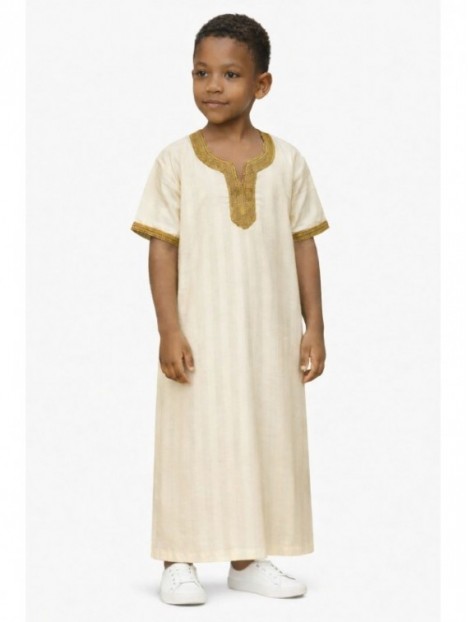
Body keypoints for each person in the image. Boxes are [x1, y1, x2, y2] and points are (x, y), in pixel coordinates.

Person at [130, 13, 330, 606]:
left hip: (268, 332)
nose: (212, 86)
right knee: (192, 438)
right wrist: (169, 330)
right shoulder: (175, 160)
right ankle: (179, 559)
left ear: (261, 84)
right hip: (200, 332)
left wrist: (314, 326)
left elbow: (303, 243)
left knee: (264, 434)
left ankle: (248, 557)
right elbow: (162, 247)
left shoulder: (287, 160)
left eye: (230, 74)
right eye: (201, 73)